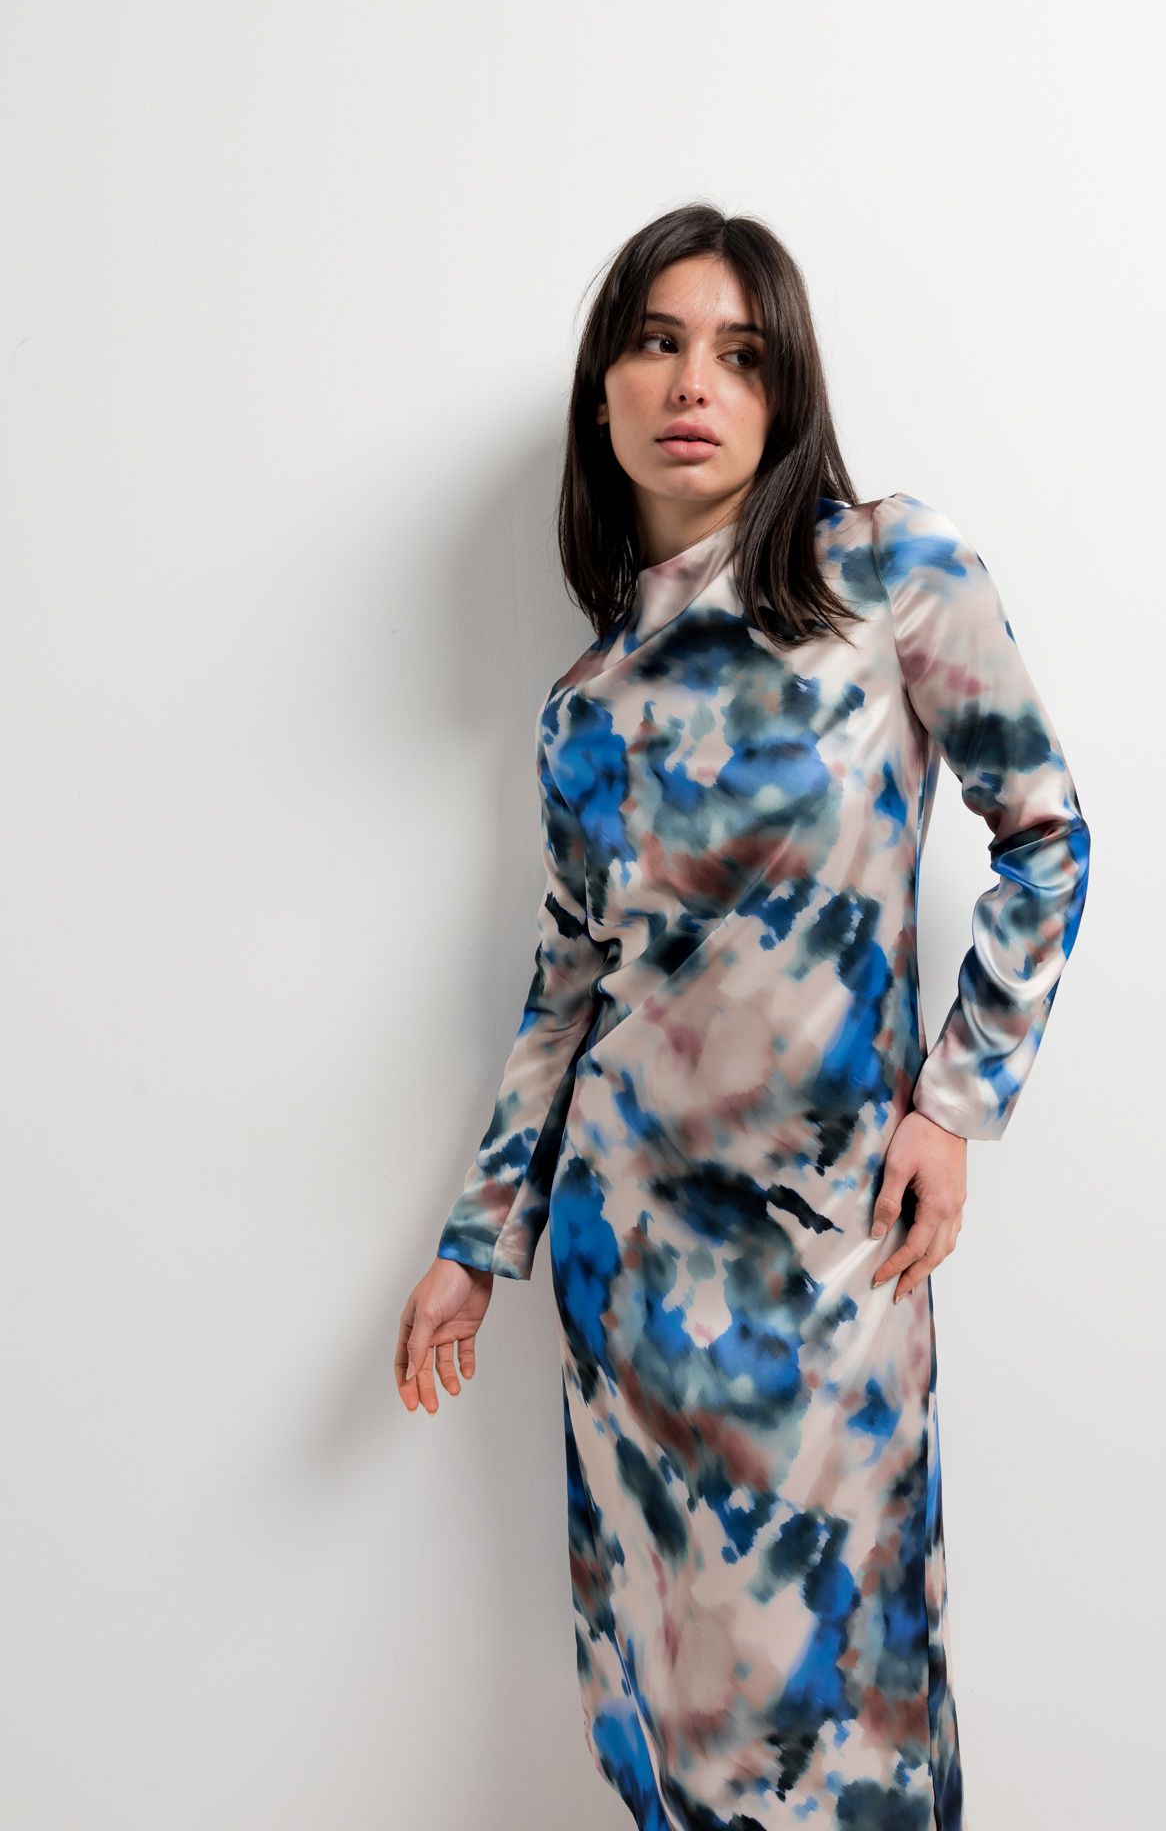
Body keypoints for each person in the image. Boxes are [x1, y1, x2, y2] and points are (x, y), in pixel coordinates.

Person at [395, 202, 1091, 1830]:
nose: (693, 382)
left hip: (840, 1264)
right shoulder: (586, 704)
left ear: (787, 395)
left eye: (739, 352)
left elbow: (1046, 833)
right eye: (655, 343)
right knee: (678, 1724)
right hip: (627, 1278)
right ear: (604, 394)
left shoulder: (891, 573)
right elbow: (574, 982)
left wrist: (956, 1105)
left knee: (853, 1716)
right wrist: (473, 1241)